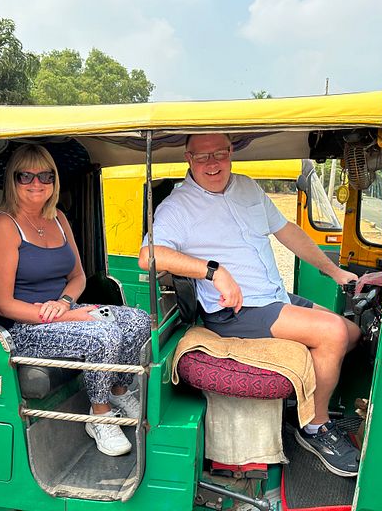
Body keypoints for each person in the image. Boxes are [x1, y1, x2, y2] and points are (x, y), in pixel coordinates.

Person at [139, 133, 362, 477]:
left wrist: (335, 272)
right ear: (188, 159)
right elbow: (148, 255)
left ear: (231, 153)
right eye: (202, 157)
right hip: (235, 311)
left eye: (219, 154)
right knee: (332, 332)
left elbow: (287, 231)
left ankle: (302, 407)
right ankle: (315, 428)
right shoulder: (178, 207)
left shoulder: (247, 187)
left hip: (273, 297)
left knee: (351, 331)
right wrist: (213, 271)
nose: (212, 164)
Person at [0, 144, 151, 457]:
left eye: (45, 176)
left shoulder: (58, 218)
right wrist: (65, 317)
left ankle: (116, 391)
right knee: (103, 333)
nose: (37, 183)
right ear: (13, 180)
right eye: (27, 176)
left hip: (61, 309)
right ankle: (99, 416)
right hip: (24, 326)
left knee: (137, 320)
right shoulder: (4, 225)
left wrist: (65, 303)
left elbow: (78, 277)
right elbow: (2, 304)